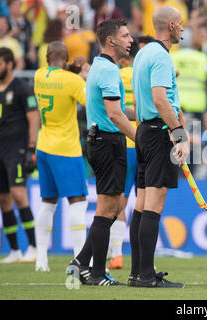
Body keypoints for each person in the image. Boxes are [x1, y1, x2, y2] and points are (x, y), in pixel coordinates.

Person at [66, 19, 136, 286]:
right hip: (107, 142)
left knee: (116, 204)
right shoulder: (108, 70)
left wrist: (143, 114)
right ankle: (95, 273)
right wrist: (139, 139)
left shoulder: (103, 66)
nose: (130, 40)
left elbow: (119, 109)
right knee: (108, 208)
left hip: (105, 139)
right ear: (111, 40)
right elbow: (114, 114)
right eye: (125, 35)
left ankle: (80, 262)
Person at [130, 5, 188, 288]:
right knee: (155, 202)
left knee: (141, 204)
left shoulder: (143, 53)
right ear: (172, 26)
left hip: (143, 131)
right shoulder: (162, 57)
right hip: (158, 133)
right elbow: (160, 100)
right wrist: (178, 134)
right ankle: (145, 275)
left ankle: (136, 272)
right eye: (181, 24)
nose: (183, 29)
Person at [33, 41, 89, 272]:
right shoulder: (72, 81)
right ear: (67, 58)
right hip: (66, 148)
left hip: (43, 145)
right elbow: (89, 101)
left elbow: (58, 76)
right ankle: (80, 259)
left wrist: (73, 71)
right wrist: (85, 74)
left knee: (47, 204)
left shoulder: (38, 75)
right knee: (77, 202)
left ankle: (41, 260)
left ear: (46, 57)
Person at [0, 47, 39, 264]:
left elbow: (34, 118)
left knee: (19, 196)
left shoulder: (22, 89)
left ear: (10, 64)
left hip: (17, 151)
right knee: (4, 201)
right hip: (0, 152)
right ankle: (14, 250)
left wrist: (31, 148)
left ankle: (33, 246)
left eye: (0, 64)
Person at [107, 39, 140, 270]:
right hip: (146, 142)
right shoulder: (144, 75)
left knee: (120, 201)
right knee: (148, 202)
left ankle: (117, 254)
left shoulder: (116, 75)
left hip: (123, 142)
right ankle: (144, 257)